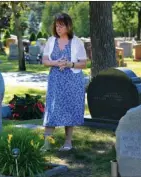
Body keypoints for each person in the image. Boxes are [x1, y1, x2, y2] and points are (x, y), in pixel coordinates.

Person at [41, 13, 87, 151]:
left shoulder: (77, 42)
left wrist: (69, 64)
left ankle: (68, 142)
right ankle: (46, 143)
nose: (58, 28)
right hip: (56, 79)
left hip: (72, 80)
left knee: (69, 109)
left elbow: (83, 64)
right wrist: (56, 63)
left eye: (61, 25)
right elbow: (44, 61)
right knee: (52, 109)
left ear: (68, 26)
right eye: (57, 25)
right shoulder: (51, 41)